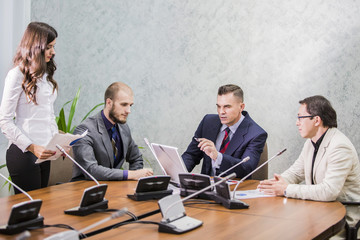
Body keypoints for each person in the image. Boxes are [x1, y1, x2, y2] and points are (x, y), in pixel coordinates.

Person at [257, 95, 360, 238]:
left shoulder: (340, 147)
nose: (297, 123)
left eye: (300, 117)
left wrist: (286, 189)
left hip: (342, 220)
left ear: (316, 120)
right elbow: (296, 173)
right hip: (319, 211)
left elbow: (329, 191)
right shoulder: (311, 142)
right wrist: (276, 183)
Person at [0, 22, 58, 193]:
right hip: (24, 153)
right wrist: (32, 147)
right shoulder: (16, 75)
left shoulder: (45, 75)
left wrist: (57, 142)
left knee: (42, 208)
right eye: (48, 47)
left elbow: (49, 115)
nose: (53, 52)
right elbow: (4, 121)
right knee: (28, 213)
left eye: (53, 47)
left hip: (44, 152)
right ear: (35, 46)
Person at [71, 82, 153, 181]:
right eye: (124, 104)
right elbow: (91, 170)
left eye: (130, 105)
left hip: (114, 189)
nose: (128, 110)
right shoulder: (84, 130)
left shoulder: (124, 128)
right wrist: (131, 174)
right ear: (109, 103)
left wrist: (132, 182)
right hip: (86, 189)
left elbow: (136, 158)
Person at [182, 84, 267, 178]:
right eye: (218, 106)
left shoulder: (256, 134)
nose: (221, 112)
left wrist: (217, 157)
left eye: (227, 107)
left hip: (234, 188)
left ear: (241, 107)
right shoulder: (208, 122)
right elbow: (191, 155)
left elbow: (246, 168)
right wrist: (176, 172)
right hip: (205, 188)